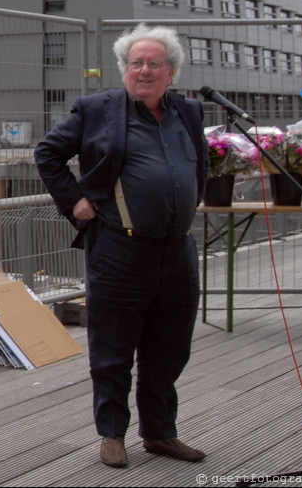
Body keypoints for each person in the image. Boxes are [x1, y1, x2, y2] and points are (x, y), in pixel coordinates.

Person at [34, 24, 207, 469]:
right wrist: (74, 202)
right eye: (136, 64)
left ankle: (160, 433)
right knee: (112, 348)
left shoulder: (188, 112)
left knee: (170, 348)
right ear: (125, 69)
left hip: (177, 251)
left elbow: (199, 165)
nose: (144, 71)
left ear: (172, 72)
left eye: (154, 64)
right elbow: (48, 153)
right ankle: (112, 434)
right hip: (119, 249)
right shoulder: (98, 109)